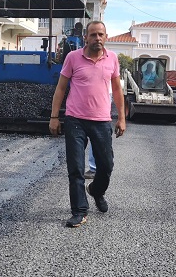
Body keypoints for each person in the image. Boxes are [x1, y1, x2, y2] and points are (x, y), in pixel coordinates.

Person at [50, 20, 126, 228]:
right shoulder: (73, 58)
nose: (97, 38)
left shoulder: (112, 59)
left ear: (106, 37)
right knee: (75, 168)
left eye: (101, 34)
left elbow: (117, 90)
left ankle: (96, 191)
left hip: (102, 121)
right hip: (75, 120)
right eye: (93, 35)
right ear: (86, 37)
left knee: (106, 165)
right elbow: (60, 88)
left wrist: (121, 117)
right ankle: (79, 211)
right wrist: (54, 117)